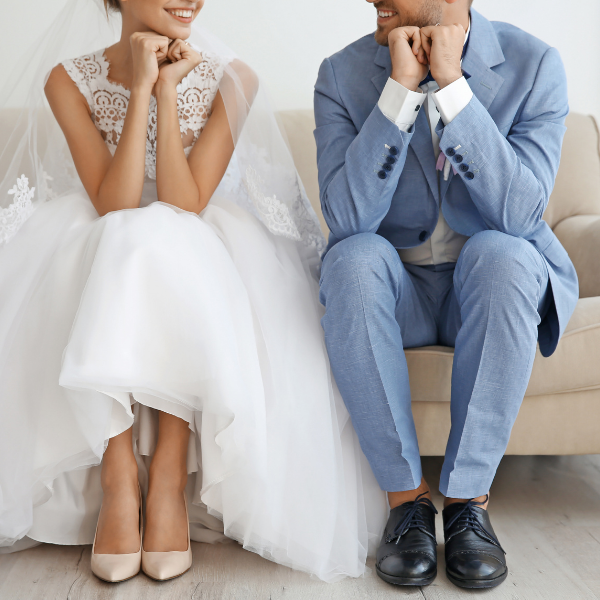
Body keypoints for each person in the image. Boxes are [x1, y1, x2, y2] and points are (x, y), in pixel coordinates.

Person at [0, 0, 387, 583]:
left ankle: (168, 480)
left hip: (195, 231)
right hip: (105, 229)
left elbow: (184, 204)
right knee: (123, 239)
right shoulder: (67, 79)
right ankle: (118, 479)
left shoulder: (233, 78)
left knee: (165, 237)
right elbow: (113, 204)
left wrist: (166, 90)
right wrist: (139, 87)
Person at [315, 0, 578, 590]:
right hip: (395, 291)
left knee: (506, 256)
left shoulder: (534, 65)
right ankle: (406, 502)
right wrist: (400, 92)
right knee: (351, 260)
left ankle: (467, 504)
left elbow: (521, 214)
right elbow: (348, 219)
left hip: (484, 288)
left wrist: (454, 87)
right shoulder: (339, 74)